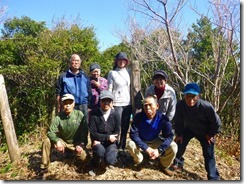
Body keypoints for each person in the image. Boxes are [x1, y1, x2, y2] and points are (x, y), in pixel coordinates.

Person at [172, 82, 221, 180]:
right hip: (189, 129)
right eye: (188, 96)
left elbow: (217, 123)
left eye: (194, 96)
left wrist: (211, 134)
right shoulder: (180, 105)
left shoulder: (206, 107)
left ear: (198, 96)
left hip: (205, 132)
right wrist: (179, 134)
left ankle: (213, 177)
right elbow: (178, 121)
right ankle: (178, 163)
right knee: (179, 143)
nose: (190, 100)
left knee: (208, 154)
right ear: (184, 95)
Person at [126, 94, 178, 176]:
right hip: (141, 140)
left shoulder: (163, 119)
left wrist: (159, 150)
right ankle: (139, 160)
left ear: (157, 106)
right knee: (130, 144)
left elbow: (169, 136)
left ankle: (163, 165)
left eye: (150, 105)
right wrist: (146, 148)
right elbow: (133, 134)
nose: (148, 108)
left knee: (173, 146)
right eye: (145, 105)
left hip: (155, 140)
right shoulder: (138, 117)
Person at [40, 94, 89, 170]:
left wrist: (81, 144)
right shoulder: (58, 117)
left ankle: (74, 157)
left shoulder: (79, 114)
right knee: (46, 141)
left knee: (86, 159)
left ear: (73, 104)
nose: (68, 105)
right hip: (64, 142)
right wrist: (57, 141)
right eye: (65, 103)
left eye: (70, 103)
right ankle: (44, 165)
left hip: (76, 143)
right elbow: (50, 132)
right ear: (62, 104)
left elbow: (85, 132)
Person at [88, 90, 120, 175]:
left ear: (112, 102)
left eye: (108, 101)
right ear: (100, 102)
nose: (106, 103)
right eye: (103, 101)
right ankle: (95, 164)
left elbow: (117, 132)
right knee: (99, 152)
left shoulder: (116, 114)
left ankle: (109, 161)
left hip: (111, 143)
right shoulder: (94, 114)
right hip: (98, 142)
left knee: (110, 160)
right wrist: (108, 137)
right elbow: (93, 132)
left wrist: (110, 138)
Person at [55, 54, 92, 128]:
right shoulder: (63, 76)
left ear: (80, 62)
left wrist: (89, 106)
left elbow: (89, 92)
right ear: (70, 62)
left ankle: (83, 140)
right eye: (74, 60)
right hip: (69, 105)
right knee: (69, 127)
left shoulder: (85, 76)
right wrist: (59, 107)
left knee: (83, 127)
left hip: (83, 105)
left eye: (77, 61)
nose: (76, 63)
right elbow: (58, 93)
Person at [107, 52, 132, 150]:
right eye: (119, 60)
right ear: (116, 61)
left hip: (128, 103)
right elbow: (110, 88)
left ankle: (122, 146)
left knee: (125, 126)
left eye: (123, 60)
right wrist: (110, 102)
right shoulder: (112, 73)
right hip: (117, 103)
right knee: (117, 125)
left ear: (126, 62)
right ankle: (114, 146)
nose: (121, 62)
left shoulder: (129, 72)